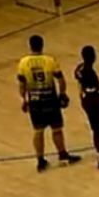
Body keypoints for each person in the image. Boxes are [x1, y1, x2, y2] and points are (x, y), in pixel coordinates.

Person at [17, 35, 81, 172]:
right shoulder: (49, 61)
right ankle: (63, 155)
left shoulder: (23, 63)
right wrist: (62, 94)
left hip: (35, 102)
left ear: (30, 46)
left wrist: (23, 99)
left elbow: (22, 84)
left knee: (38, 131)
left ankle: (40, 160)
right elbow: (60, 79)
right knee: (57, 129)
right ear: (42, 45)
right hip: (50, 100)